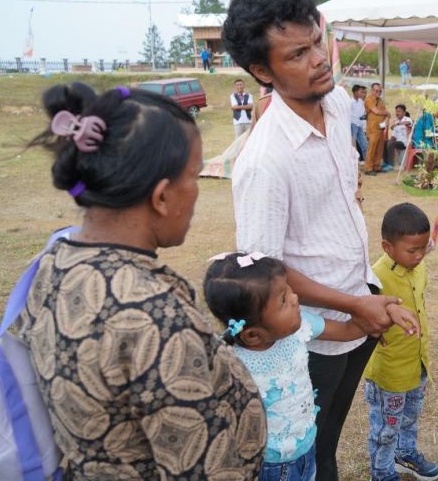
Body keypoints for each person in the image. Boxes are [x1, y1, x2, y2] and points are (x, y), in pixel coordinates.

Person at [222, 0, 419, 481]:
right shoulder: (265, 161)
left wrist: (365, 296)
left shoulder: (333, 106)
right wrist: (355, 310)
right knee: (308, 454)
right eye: (297, 54)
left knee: (330, 437)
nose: (317, 59)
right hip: (313, 339)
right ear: (263, 71)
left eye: (317, 41)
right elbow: (266, 277)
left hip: (359, 304)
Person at [20, 82, 265, 478]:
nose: (197, 191)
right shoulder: (156, 320)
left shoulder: (51, 264)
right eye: (194, 176)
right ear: (163, 196)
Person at [204, 253, 379, 481]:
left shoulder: (300, 326)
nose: (295, 298)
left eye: (288, 291)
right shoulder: (233, 367)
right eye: (283, 300)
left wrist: (378, 320)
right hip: (269, 466)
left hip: (306, 447)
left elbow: (347, 330)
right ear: (253, 335)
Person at [364, 203, 438, 481]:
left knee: (409, 417)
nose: (420, 256)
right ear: (387, 247)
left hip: (417, 365)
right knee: (385, 429)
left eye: (423, 248)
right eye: (412, 250)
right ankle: (382, 473)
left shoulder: (417, 268)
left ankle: (404, 453)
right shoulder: (375, 277)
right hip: (389, 374)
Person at [364, 82, 389, 175]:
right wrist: (386, 113)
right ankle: (368, 168)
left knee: (379, 148)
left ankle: (376, 166)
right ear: (372, 90)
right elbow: (376, 111)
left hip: (380, 128)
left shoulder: (380, 100)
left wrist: (386, 114)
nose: (378, 92)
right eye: (376, 91)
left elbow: (384, 111)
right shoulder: (368, 100)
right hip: (372, 128)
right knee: (372, 148)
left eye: (380, 91)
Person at [383, 104, 413, 169]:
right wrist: (389, 141)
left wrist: (398, 124)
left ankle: (391, 165)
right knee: (385, 142)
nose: (397, 113)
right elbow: (393, 136)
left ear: (404, 112)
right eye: (396, 111)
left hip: (404, 142)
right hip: (397, 142)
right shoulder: (396, 121)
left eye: (399, 111)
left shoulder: (407, 119)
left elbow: (408, 123)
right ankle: (386, 162)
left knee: (391, 143)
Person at [350, 84, 369, 161]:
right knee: (353, 145)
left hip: (360, 126)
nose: (363, 94)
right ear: (355, 92)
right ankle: (354, 162)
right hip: (353, 124)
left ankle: (367, 162)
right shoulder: (350, 102)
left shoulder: (361, 101)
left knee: (365, 144)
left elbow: (362, 114)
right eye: (361, 92)